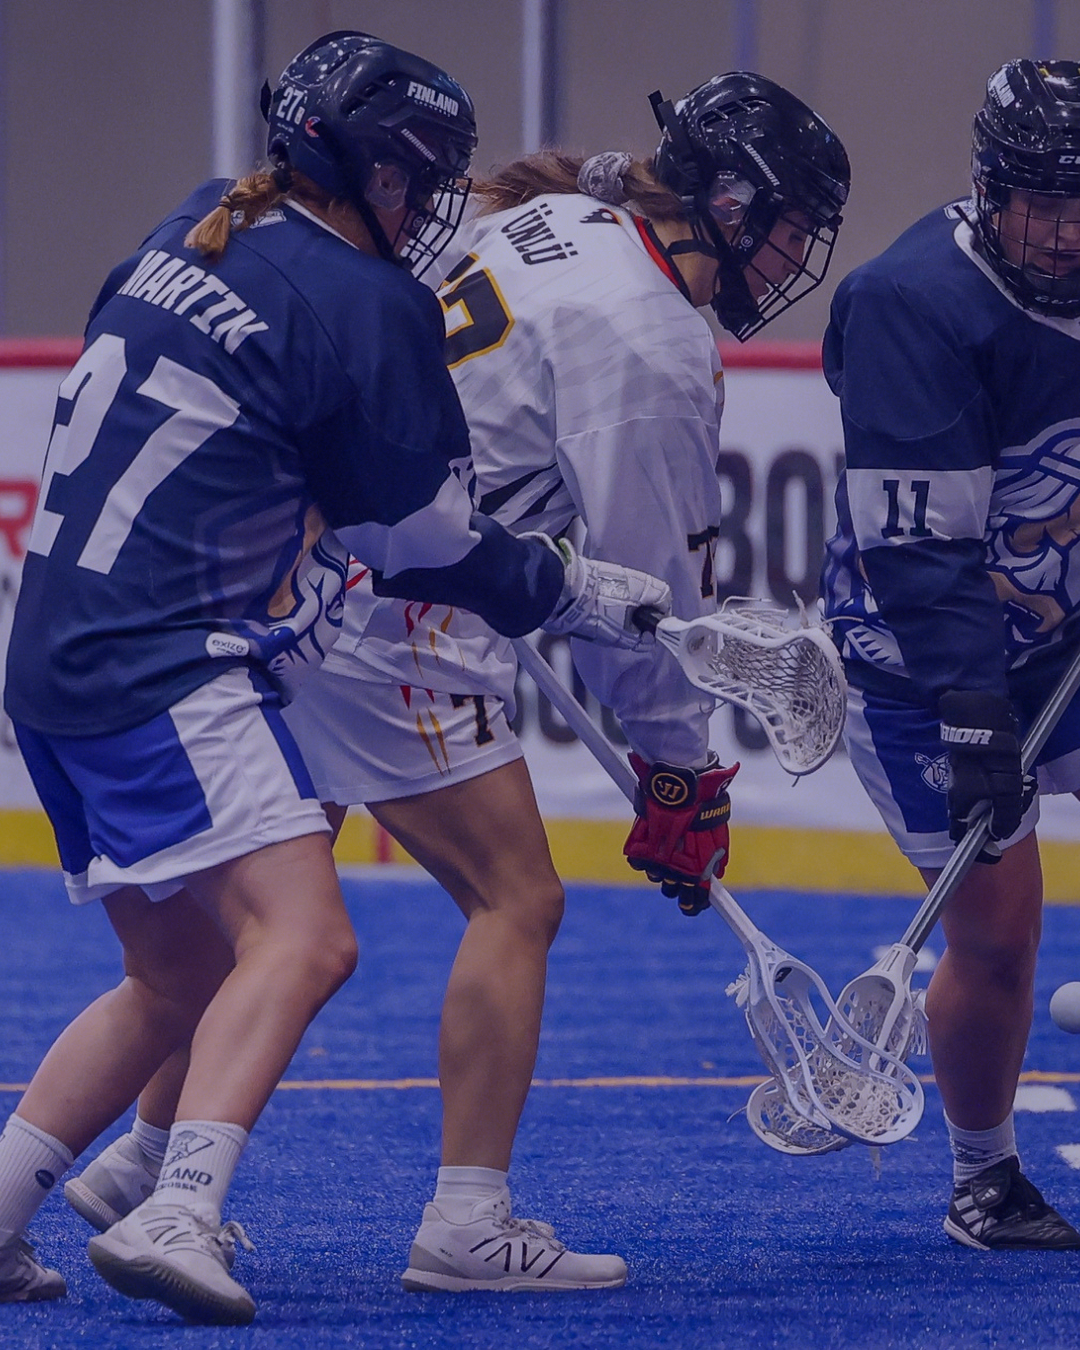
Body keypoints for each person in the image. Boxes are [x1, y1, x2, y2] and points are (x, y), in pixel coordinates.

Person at [61, 68, 849, 1294]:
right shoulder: (655, 338)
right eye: (792, 225)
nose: (796, 255)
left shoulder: (569, 217)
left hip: (307, 571)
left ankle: (139, 1161)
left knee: (258, 913)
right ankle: (463, 1219)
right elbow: (646, 597)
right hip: (407, 609)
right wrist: (682, 770)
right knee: (515, 900)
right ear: (734, 207)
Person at [0, 31, 671, 1324]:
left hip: (49, 654)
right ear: (379, 174)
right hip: (162, 662)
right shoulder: (367, 303)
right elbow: (421, 544)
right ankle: (179, 1205)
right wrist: (574, 587)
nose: (431, 210)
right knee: (306, 937)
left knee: (178, 972)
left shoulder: (200, 219)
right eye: (426, 181)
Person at [822, 57, 1080, 1250]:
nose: (1064, 231)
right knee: (998, 930)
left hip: (1056, 630)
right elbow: (921, 551)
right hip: (923, 665)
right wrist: (976, 714)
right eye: (1042, 202)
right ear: (989, 186)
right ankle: (986, 1178)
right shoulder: (914, 301)